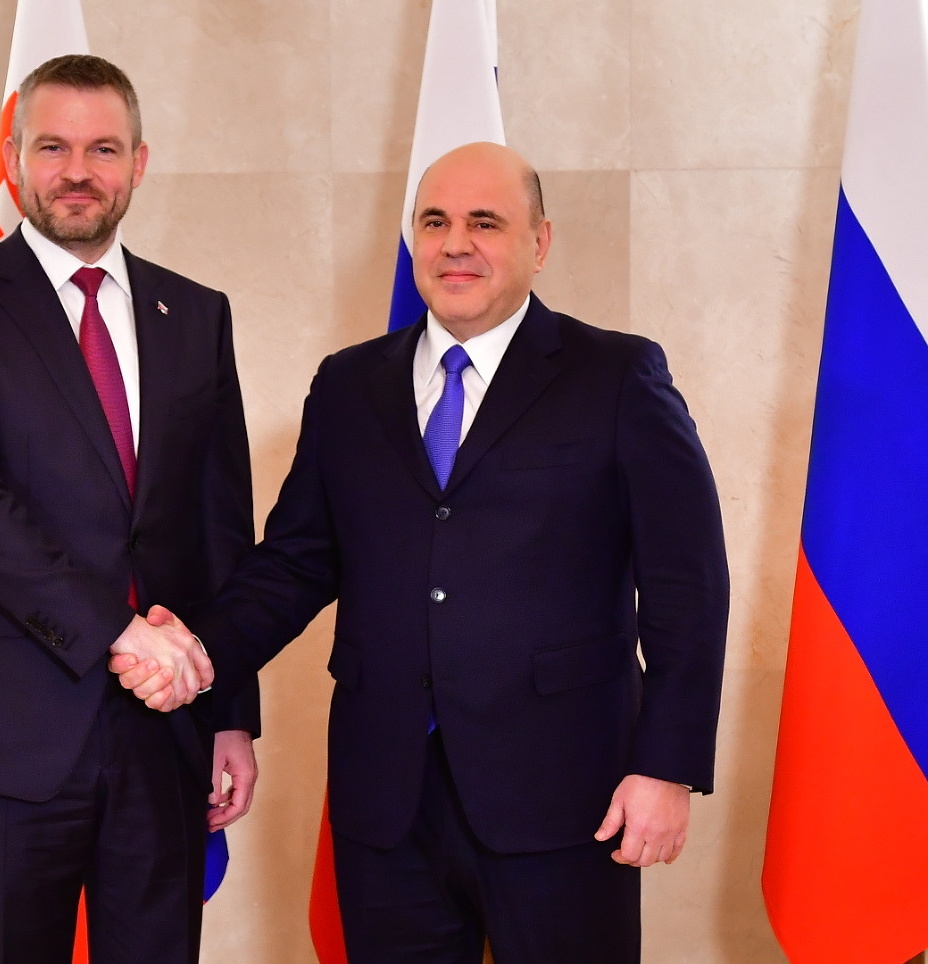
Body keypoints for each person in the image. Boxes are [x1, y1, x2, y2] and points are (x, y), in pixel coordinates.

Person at [114, 142, 729, 963]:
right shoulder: (348, 385)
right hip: (387, 796)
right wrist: (197, 649)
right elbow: (296, 562)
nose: (456, 243)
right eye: (435, 221)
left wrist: (668, 766)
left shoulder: (616, 375)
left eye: (486, 222)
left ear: (539, 242)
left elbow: (688, 587)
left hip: (565, 792)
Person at [0, 54, 259, 964]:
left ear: (140, 162)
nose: (78, 171)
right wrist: (121, 634)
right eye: (52, 146)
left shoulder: (197, 312)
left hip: (166, 729)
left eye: (103, 148)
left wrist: (231, 712)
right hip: (10, 726)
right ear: (13, 160)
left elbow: (221, 526)